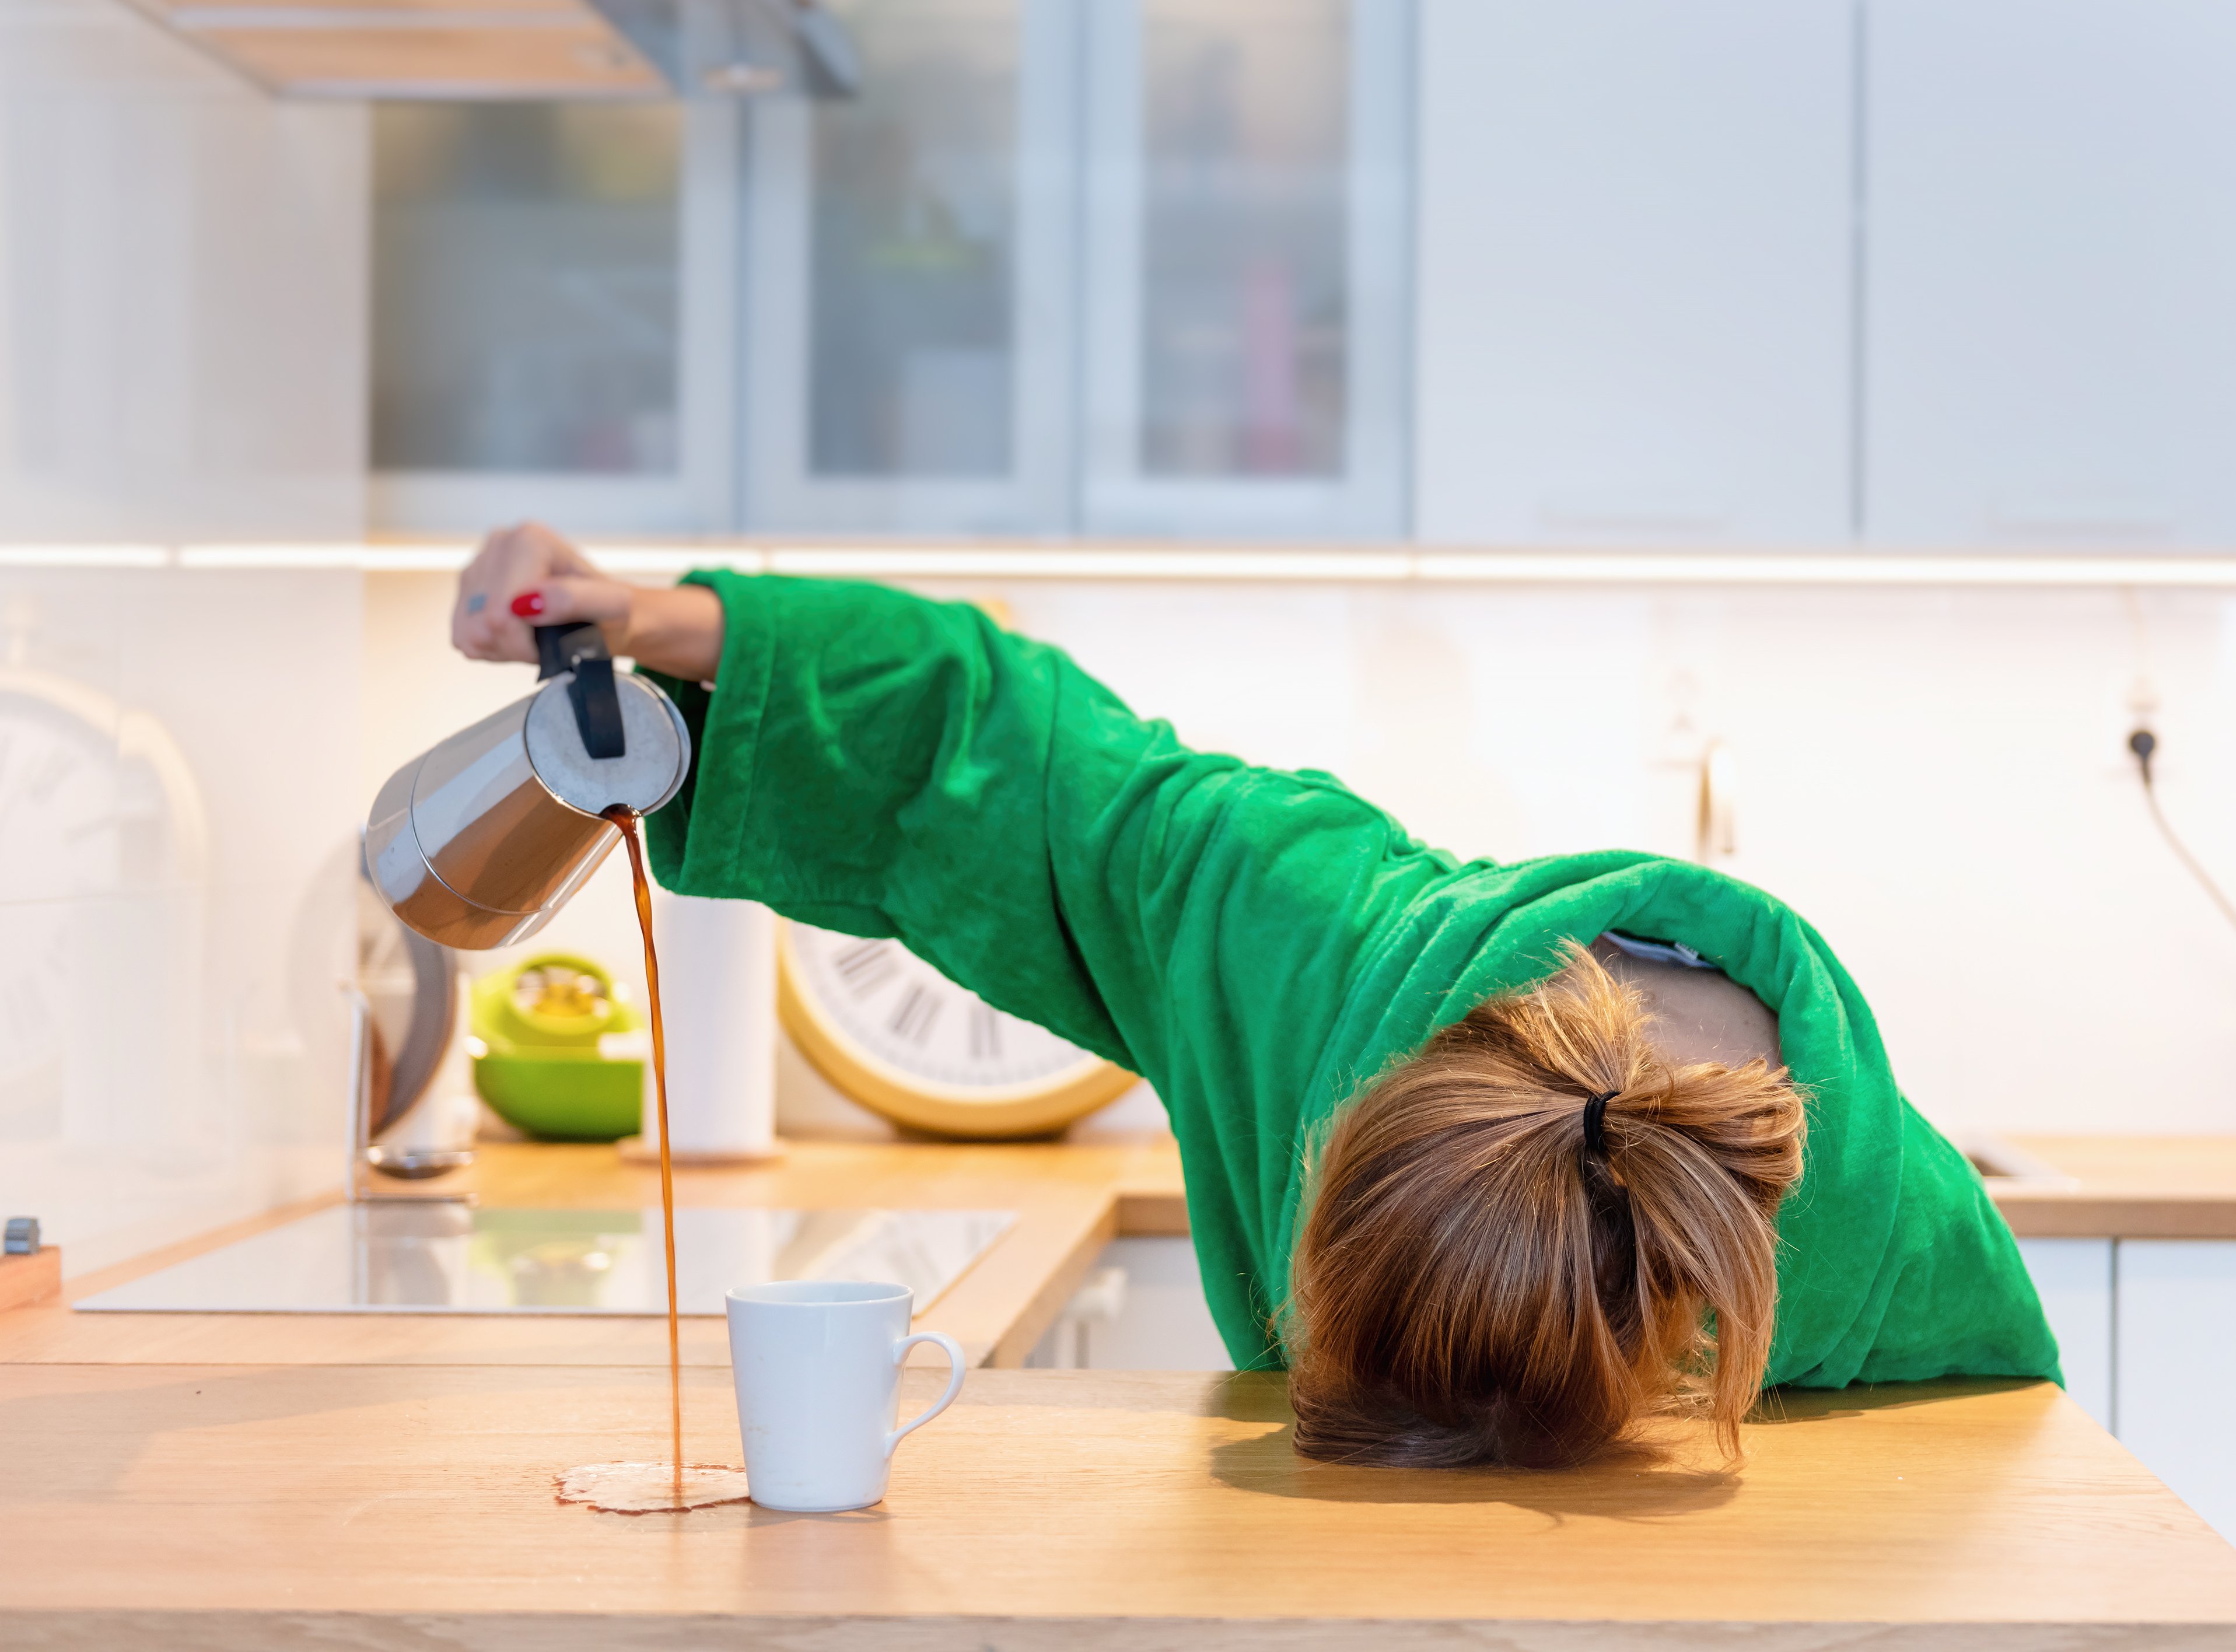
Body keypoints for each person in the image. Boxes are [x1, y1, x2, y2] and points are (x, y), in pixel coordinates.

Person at [453, 524, 2057, 1469]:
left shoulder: (1891, 1258)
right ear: (1336, 1121)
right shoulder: (1306, 947)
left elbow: (1986, 1507)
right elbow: (1018, 754)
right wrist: (675, 627)